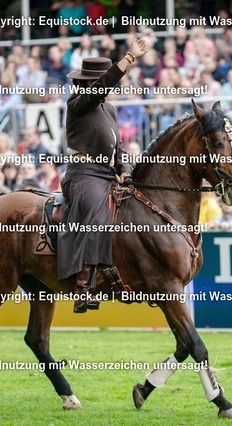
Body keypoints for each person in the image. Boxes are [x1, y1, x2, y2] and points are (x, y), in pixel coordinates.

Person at [58, 40, 147, 313]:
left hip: (106, 174)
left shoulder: (108, 109)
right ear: (90, 83)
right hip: (83, 174)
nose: (110, 88)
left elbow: (118, 147)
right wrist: (128, 58)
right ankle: (82, 287)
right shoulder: (78, 103)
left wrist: (125, 171)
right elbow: (101, 88)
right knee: (97, 216)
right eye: (104, 82)